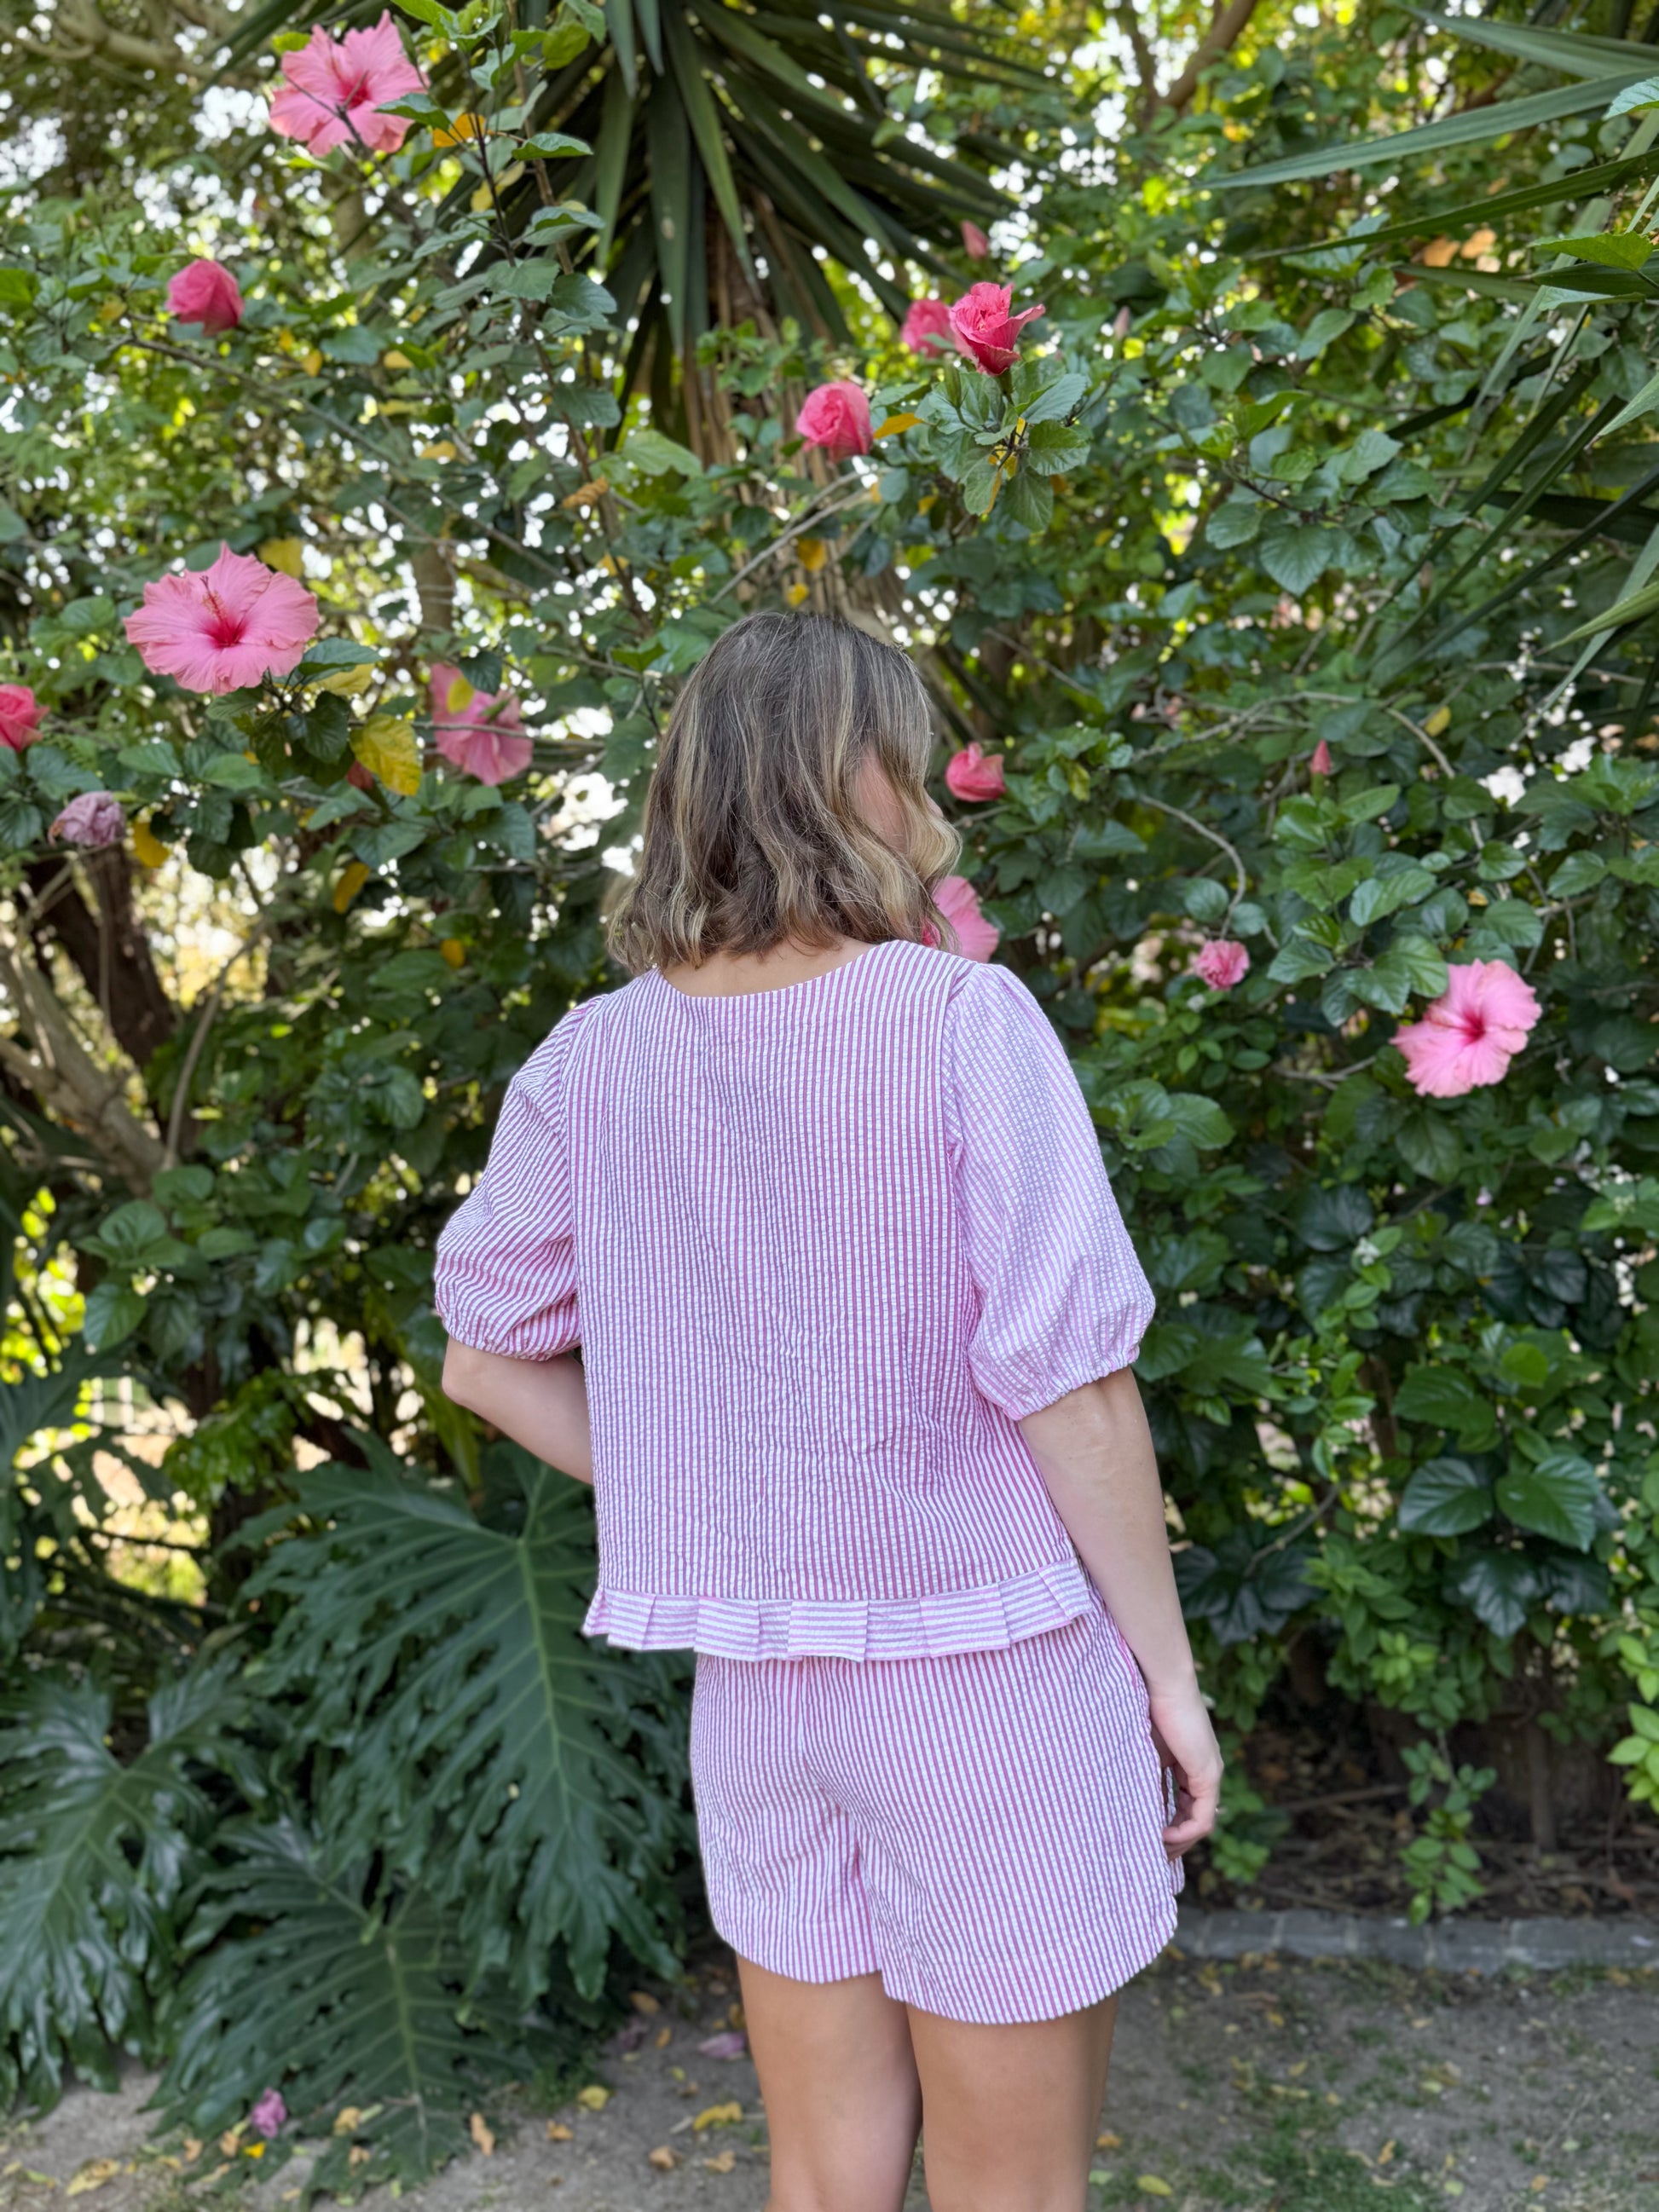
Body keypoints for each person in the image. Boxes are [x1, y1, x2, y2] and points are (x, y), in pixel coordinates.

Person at [434, 610, 1222, 2212]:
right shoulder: (957, 1023)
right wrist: (1169, 1674)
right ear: (839, 775)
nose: (927, 798)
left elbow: (484, 1356)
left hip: (764, 1701)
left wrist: (708, 1483)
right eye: (906, 763)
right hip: (988, 1678)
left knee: (821, 2181)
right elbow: (1072, 1388)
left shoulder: (592, 1061)